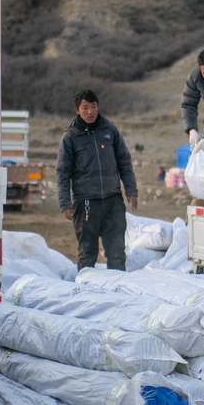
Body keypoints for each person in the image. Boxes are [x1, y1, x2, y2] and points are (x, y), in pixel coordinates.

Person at [57, 88, 138, 271]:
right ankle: (86, 293)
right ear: (77, 110)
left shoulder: (110, 130)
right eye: (85, 108)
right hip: (86, 203)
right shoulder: (70, 138)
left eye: (93, 107)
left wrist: (131, 190)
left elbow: (124, 162)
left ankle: (118, 294)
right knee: (87, 254)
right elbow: (62, 173)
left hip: (113, 200)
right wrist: (65, 202)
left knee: (117, 253)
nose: (90, 112)